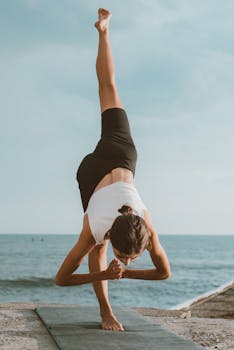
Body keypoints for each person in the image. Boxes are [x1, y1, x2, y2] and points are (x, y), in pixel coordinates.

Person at [55, 8, 171, 332]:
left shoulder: (146, 230)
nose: (128, 260)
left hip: (120, 154)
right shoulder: (96, 229)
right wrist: (104, 273)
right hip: (92, 173)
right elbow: (61, 279)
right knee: (96, 247)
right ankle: (106, 311)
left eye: (131, 257)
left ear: (144, 238)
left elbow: (165, 273)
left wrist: (128, 271)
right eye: (125, 255)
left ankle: (104, 31)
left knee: (108, 87)